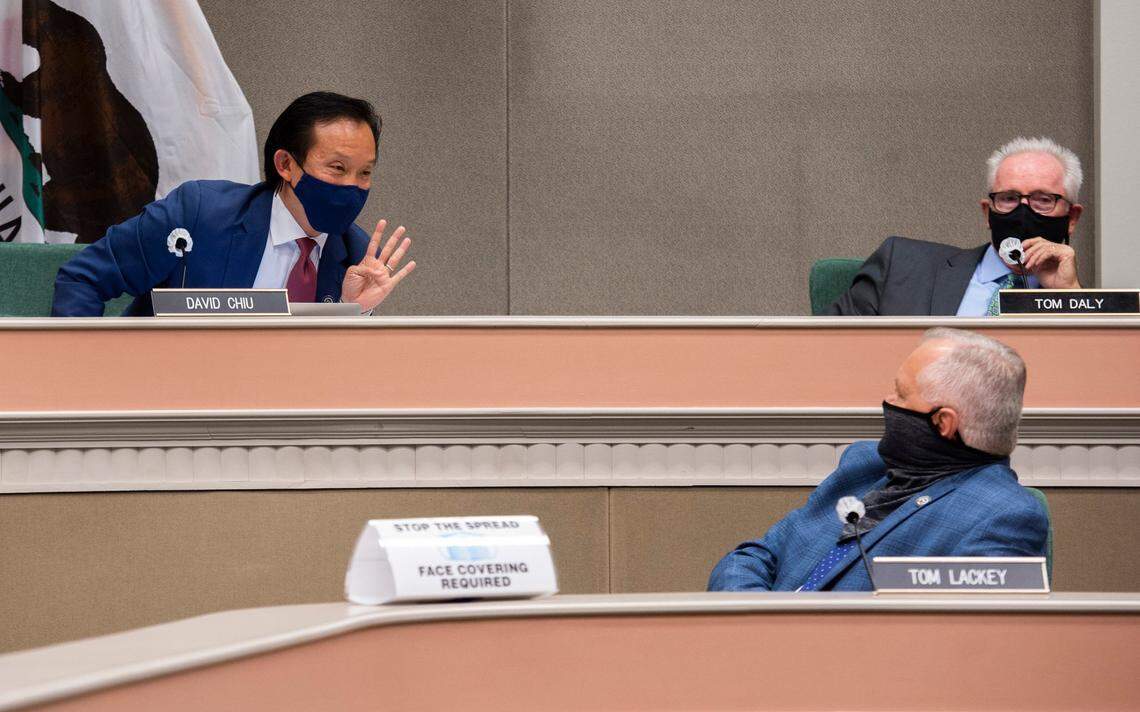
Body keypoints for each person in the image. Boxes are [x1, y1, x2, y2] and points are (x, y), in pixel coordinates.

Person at [708, 328, 1047, 592]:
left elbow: (950, 651)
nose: (887, 400)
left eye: (901, 393)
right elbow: (755, 556)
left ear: (943, 423)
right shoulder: (866, 464)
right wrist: (758, 625)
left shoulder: (1003, 516)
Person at [51, 92, 415, 316]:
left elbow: (334, 379)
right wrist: (86, 382)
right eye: (338, 169)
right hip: (166, 405)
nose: (353, 185)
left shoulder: (357, 256)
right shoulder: (198, 215)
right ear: (286, 165)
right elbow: (84, 279)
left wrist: (356, 313)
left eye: (364, 173)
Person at [825, 137, 1083, 316]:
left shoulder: (1073, 297)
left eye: (1043, 200)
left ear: (1072, 219)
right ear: (987, 212)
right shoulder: (900, 265)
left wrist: (1068, 296)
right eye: (1009, 198)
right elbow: (826, 353)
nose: (1023, 211)